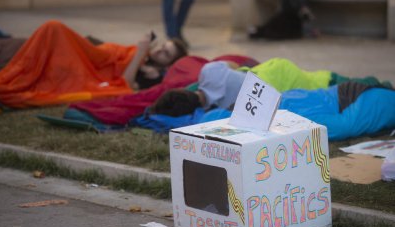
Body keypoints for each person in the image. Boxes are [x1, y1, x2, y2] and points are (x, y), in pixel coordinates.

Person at [148, 61, 395, 140]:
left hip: (342, 96)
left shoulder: (214, 114)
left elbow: (331, 127)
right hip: (334, 93)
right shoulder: (216, 95)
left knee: (336, 126)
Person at [0, 21, 188, 90]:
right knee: (9, 44)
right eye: (162, 46)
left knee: (53, 28)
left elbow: (124, 84)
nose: (159, 50)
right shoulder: (143, 58)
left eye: (165, 53)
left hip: (80, 63)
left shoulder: (150, 74)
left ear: (167, 65)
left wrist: (141, 53)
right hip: (83, 49)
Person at [248, 0, 318, 40]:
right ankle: (255, 30)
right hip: (290, 18)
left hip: (291, 18)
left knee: (271, 29)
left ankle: (255, 31)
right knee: (271, 28)